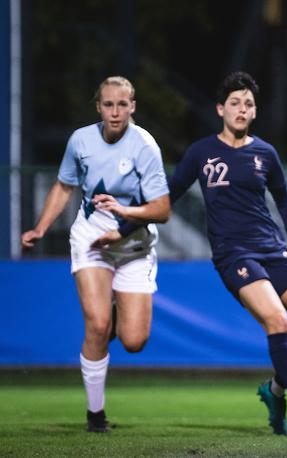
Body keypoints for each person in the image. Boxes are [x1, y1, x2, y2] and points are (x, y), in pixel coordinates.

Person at [121, 71, 287, 435]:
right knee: (278, 322)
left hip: (273, 249)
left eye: (248, 104)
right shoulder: (201, 152)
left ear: (254, 112)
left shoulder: (265, 153)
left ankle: (274, 390)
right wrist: (120, 228)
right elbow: (168, 196)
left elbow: (283, 200)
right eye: (234, 103)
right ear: (220, 109)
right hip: (233, 254)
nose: (241, 109)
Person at [21, 76, 171, 433]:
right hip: (91, 241)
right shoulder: (81, 141)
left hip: (134, 246)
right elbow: (63, 185)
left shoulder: (145, 146)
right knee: (97, 325)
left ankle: (113, 312)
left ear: (133, 106)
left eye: (122, 104)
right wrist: (41, 227)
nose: (115, 112)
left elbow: (162, 209)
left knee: (134, 341)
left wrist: (123, 212)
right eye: (108, 104)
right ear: (98, 106)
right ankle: (95, 416)